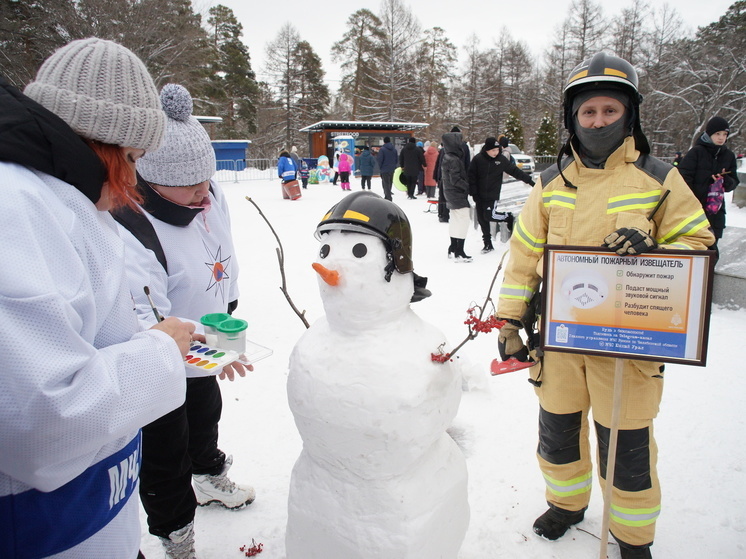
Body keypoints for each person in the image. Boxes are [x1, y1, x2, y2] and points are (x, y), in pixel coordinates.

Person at [496, 52, 714, 559]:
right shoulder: (550, 183)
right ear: (573, 116)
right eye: (588, 112)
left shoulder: (660, 179)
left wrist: (654, 245)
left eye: (609, 111)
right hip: (562, 340)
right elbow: (524, 256)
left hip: (629, 345)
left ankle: (633, 536)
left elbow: (699, 245)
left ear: (629, 115)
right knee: (558, 435)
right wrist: (510, 319)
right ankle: (567, 504)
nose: (597, 121)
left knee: (627, 450)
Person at [0, 38, 196, 558]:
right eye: (130, 158)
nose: (133, 180)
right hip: (43, 533)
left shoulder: (62, 200)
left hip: (89, 519)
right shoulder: (16, 209)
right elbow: (42, 423)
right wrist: (159, 350)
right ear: (98, 143)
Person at [113, 84, 255, 559]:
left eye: (207, 178)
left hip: (205, 338)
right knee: (165, 445)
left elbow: (221, 257)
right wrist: (208, 348)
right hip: (165, 356)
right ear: (151, 180)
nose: (204, 191)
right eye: (190, 182)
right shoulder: (133, 227)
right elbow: (148, 329)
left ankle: (209, 474)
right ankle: (175, 531)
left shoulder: (208, 193)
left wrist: (224, 330)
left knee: (205, 409)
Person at [677, 116, 739, 259]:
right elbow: (682, 178)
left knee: (712, 250)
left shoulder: (728, 156)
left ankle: (707, 279)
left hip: (715, 210)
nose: (721, 138)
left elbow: (733, 183)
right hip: (694, 209)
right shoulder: (696, 152)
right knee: (694, 249)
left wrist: (725, 180)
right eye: (718, 134)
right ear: (709, 134)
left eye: (725, 134)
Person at [468, 136, 535, 253]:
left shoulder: (501, 160)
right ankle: (487, 244)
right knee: (482, 219)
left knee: (489, 215)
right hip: (479, 194)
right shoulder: (478, 159)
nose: (495, 153)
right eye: (493, 150)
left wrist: (529, 181)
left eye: (497, 150)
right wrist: (473, 192)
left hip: (492, 194)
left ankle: (507, 217)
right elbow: (471, 176)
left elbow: (515, 171)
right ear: (487, 150)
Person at [440, 130, 473, 262]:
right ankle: (459, 251)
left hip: (450, 194)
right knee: (463, 221)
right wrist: (467, 186)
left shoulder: (447, 157)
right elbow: (455, 179)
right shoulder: (454, 159)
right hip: (457, 194)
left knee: (455, 220)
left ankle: (453, 247)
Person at [376, 136, 398, 201]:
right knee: (390, 182)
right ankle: (387, 195)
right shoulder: (394, 150)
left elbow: (380, 159)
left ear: (384, 142)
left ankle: (388, 197)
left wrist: (381, 167)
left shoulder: (382, 149)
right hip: (392, 168)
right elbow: (396, 159)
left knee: (385, 183)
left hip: (384, 169)